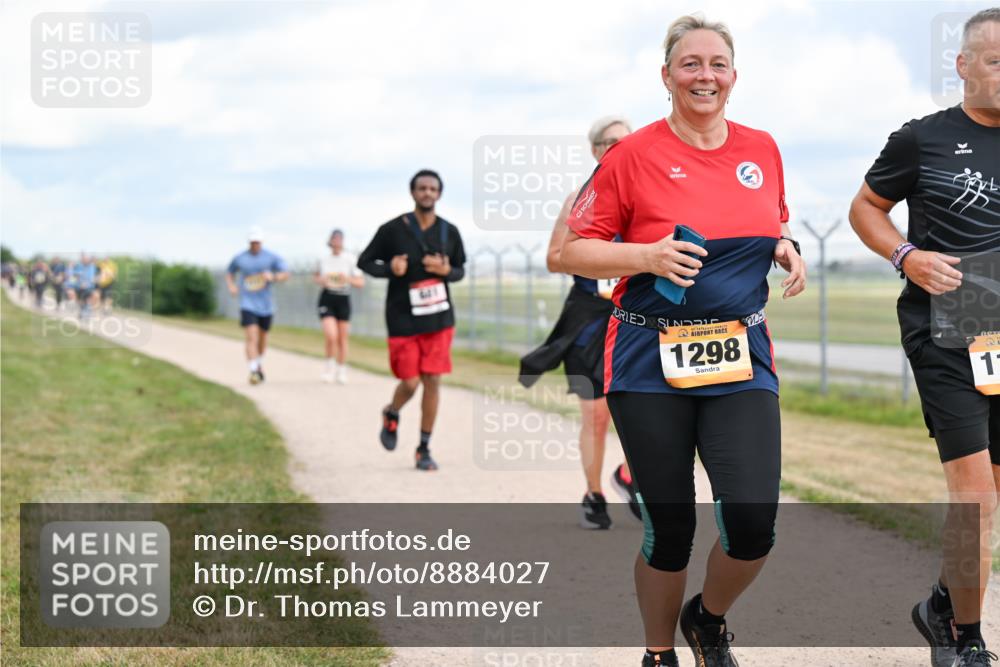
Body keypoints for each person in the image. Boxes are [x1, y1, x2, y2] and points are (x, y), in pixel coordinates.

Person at [560, 14, 805, 667]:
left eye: (717, 63)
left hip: (739, 356)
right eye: (690, 64)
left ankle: (709, 618)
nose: (705, 75)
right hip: (646, 359)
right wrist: (645, 257)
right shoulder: (630, 156)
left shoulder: (762, 148)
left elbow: (767, 218)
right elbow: (568, 251)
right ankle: (658, 652)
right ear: (666, 76)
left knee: (753, 524)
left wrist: (785, 244)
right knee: (671, 530)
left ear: (734, 74)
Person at [849, 9, 1000, 667]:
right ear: (962, 66)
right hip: (946, 330)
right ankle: (964, 636)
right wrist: (906, 255)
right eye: (993, 58)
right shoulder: (922, 139)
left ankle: (943, 599)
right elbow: (865, 208)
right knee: (975, 499)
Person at [519, 115, 639, 530]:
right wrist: (597, 256)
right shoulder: (578, 200)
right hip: (590, 317)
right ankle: (594, 494)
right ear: (595, 150)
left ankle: (629, 475)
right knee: (597, 415)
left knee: (649, 408)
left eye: (628, 140)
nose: (621, 148)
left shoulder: (647, 196)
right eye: (611, 142)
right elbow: (554, 258)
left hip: (637, 316)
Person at [358, 169, 466, 471]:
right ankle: (392, 412)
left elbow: (460, 271)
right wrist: (390, 267)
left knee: (432, 380)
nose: (427, 193)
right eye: (422, 188)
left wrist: (446, 272)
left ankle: (424, 447)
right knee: (410, 381)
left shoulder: (450, 232)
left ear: (439, 194)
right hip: (402, 317)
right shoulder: (393, 230)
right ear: (413, 192)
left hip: (439, 318)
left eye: (433, 188)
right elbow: (365, 262)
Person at [225, 227, 290, 385]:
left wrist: (273, 276)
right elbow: (229, 272)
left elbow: (286, 273)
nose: (255, 245)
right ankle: (253, 370)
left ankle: (258, 363)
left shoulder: (270, 257)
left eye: (257, 242)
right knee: (251, 336)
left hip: (266, 304)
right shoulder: (240, 258)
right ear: (249, 242)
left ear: (261, 242)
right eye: (252, 242)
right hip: (247, 303)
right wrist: (232, 286)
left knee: (262, 338)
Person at [313, 229, 364, 383]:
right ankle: (329, 366)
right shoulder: (322, 259)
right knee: (331, 335)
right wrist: (323, 280)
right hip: (327, 297)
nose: (336, 242)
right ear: (330, 241)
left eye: (339, 239)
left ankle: (341, 369)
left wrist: (346, 279)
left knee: (342, 337)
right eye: (334, 239)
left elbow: (360, 282)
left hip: (343, 298)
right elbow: (315, 277)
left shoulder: (350, 259)